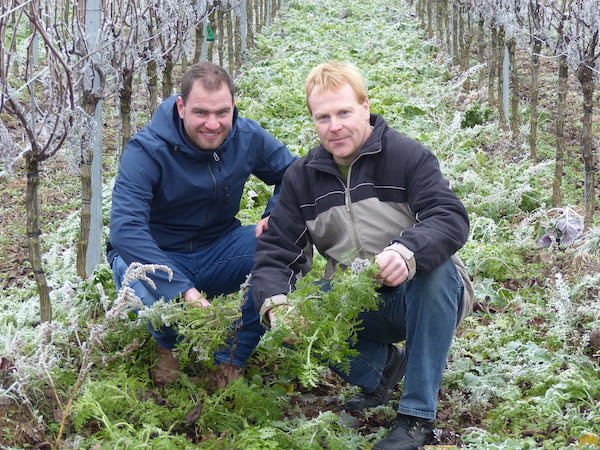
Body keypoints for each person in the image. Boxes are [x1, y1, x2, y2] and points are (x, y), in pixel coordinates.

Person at [251, 62, 474, 450]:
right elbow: (276, 254)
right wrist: (278, 307)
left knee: (435, 272)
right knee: (299, 306)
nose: (334, 126)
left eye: (344, 112)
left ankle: (417, 418)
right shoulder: (302, 178)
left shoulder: (407, 157)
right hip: (359, 299)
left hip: (424, 294)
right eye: (323, 117)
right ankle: (384, 369)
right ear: (313, 121)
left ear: (365, 107)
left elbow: (448, 216)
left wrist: (406, 253)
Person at [107, 61, 297, 387]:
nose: (213, 123)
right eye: (201, 113)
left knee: (277, 246)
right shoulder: (147, 149)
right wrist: (183, 289)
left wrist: (274, 214)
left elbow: (293, 175)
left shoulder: (247, 136)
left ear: (233, 107)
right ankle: (168, 346)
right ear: (181, 107)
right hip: (160, 253)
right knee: (137, 279)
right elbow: (126, 228)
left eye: (222, 112)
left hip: (218, 247)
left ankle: (231, 358)